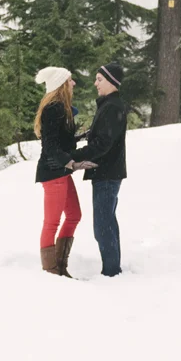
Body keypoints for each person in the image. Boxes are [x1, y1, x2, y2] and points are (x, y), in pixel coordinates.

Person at [33, 66, 92, 277]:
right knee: (52, 222)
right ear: (61, 85)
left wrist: (82, 136)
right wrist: (69, 162)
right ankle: (51, 271)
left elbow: (61, 141)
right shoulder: (53, 108)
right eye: (69, 80)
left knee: (74, 215)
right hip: (52, 172)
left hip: (61, 172)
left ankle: (60, 265)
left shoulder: (61, 108)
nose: (73, 83)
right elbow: (50, 146)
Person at [71, 62, 128, 277]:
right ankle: (112, 268)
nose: (95, 83)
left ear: (112, 82)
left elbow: (103, 144)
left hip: (107, 173)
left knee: (103, 226)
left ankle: (111, 272)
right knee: (107, 223)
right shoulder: (108, 105)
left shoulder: (112, 107)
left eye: (99, 79)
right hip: (106, 173)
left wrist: (74, 156)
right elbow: (100, 135)